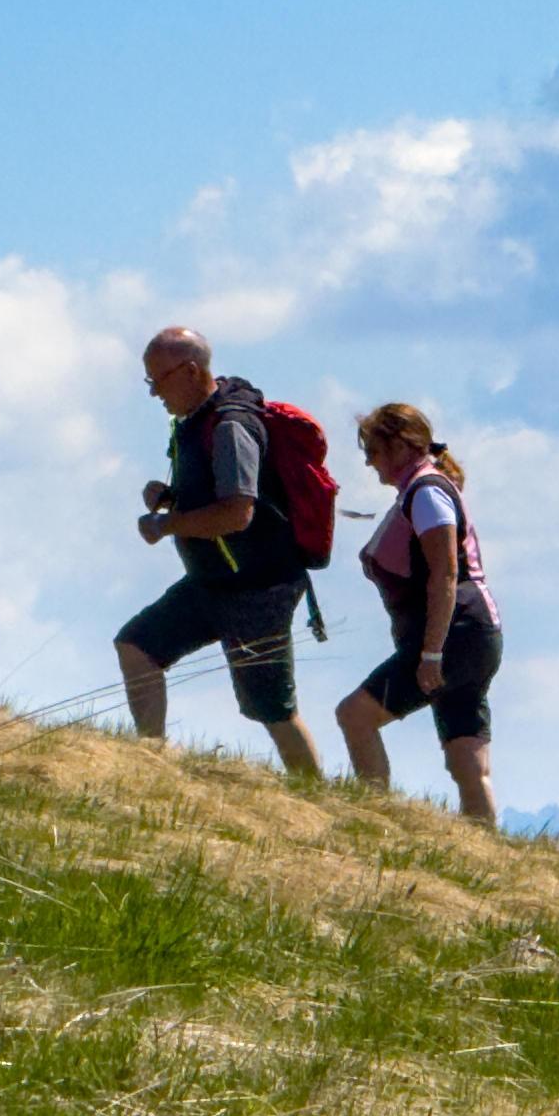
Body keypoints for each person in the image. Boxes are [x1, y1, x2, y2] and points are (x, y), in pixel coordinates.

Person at [111, 326, 324, 778]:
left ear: (190, 371)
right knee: (136, 645)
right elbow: (218, 497)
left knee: (272, 709)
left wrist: (166, 525)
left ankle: (316, 797)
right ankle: (150, 764)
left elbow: (237, 513)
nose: (153, 393)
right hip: (212, 581)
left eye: (158, 380)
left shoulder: (230, 427)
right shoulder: (196, 421)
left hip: (257, 589)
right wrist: (171, 497)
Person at [335, 401, 501, 823]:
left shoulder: (426, 494)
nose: (369, 462)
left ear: (401, 447)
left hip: (452, 635)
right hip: (477, 634)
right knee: (465, 754)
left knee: (355, 716)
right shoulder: (425, 489)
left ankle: (375, 822)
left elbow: (444, 574)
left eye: (373, 451)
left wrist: (431, 654)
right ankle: (485, 843)